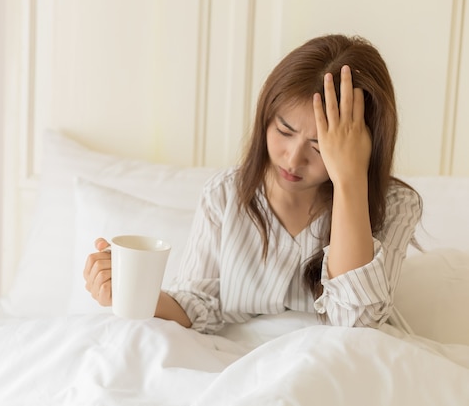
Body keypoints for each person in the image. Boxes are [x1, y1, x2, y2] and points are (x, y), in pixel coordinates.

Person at [83, 34, 422, 334]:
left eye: (320, 148)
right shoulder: (225, 194)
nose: (292, 159)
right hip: (240, 365)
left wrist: (350, 180)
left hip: (336, 366)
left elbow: (357, 322)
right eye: (284, 131)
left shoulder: (396, 205)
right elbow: (200, 302)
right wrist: (132, 292)